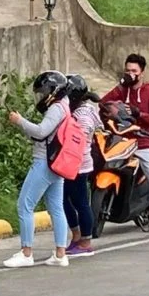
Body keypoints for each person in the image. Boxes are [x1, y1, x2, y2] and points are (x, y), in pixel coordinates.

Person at [4, 71, 72, 268]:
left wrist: (20, 121)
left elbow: (42, 131)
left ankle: (26, 253)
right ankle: (60, 253)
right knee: (56, 208)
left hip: (44, 162)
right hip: (57, 163)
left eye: (43, 93)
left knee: (24, 205)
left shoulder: (56, 109)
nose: (41, 97)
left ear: (54, 91)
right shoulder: (65, 106)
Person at [101, 54, 149, 233]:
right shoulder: (123, 90)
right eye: (128, 70)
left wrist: (141, 115)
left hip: (144, 139)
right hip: (123, 138)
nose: (131, 74)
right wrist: (120, 86)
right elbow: (103, 103)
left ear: (142, 73)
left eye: (134, 71)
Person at [63, 74, 101, 258]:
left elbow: (80, 139)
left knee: (80, 203)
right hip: (71, 163)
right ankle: (77, 235)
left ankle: (85, 241)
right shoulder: (81, 109)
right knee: (64, 200)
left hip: (78, 164)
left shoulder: (83, 114)